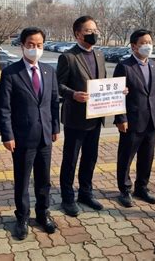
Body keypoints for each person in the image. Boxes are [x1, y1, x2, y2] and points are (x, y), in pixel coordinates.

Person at [0, 27, 60, 240]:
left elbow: (53, 102)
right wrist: (8, 135)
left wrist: (55, 127)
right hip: (22, 138)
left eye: (40, 45)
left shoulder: (49, 71)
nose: (36, 49)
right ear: (22, 45)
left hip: (45, 136)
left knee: (44, 180)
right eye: (31, 45)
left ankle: (43, 214)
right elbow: (4, 108)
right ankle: (22, 218)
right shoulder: (11, 73)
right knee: (23, 181)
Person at [57, 15, 107, 217]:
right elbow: (58, 86)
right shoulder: (68, 57)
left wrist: (118, 93)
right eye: (88, 31)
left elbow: (103, 82)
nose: (93, 34)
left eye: (95, 30)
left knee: (90, 158)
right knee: (70, 160)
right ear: (78, 34)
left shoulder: (100, 55)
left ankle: (85, 193)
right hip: (76, 119)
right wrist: (72, 94)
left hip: (96, 117)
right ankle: (67, 198)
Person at [113, 29, 155, 208]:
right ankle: (124, 190)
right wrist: (120, 118)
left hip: (150, 119)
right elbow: (117, 95)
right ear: (134, 46)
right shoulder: (124, 66)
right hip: (131, 121)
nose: (147, 46)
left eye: (149, 42)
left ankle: (142, 187)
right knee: (126, 157)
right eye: (143, 43)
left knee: (147, 156)